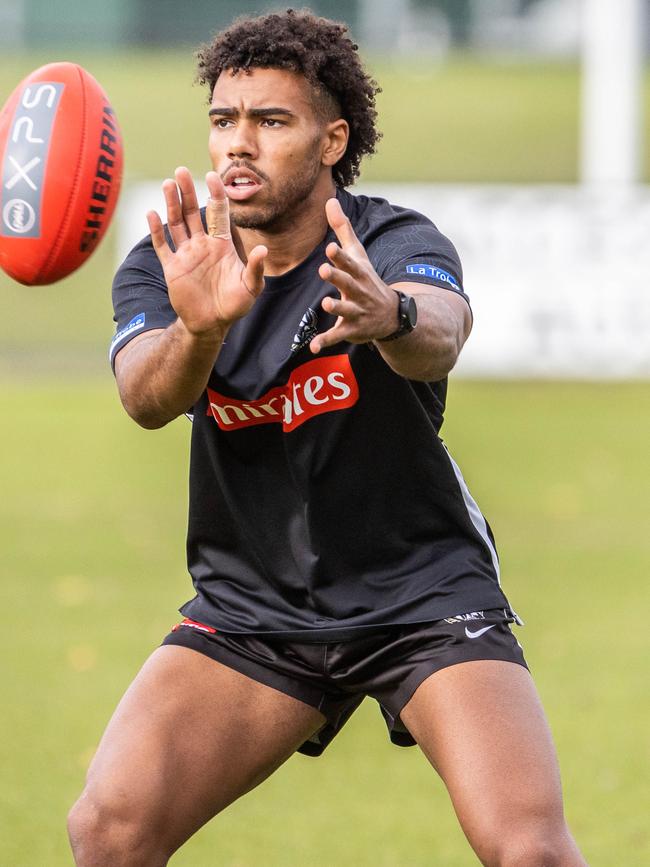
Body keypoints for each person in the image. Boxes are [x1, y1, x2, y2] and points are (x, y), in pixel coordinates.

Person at [68, 9, 586, 866]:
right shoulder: (177, 262)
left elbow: (442, 337)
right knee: (108, 828)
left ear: (331, 139)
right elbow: (145, 399)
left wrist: (393, 314)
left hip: (421, 596)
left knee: (530, 849)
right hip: (253, 609)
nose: (239, 143)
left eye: (272, 122)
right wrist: (199, 331)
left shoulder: (390, 242)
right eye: (225, 120)